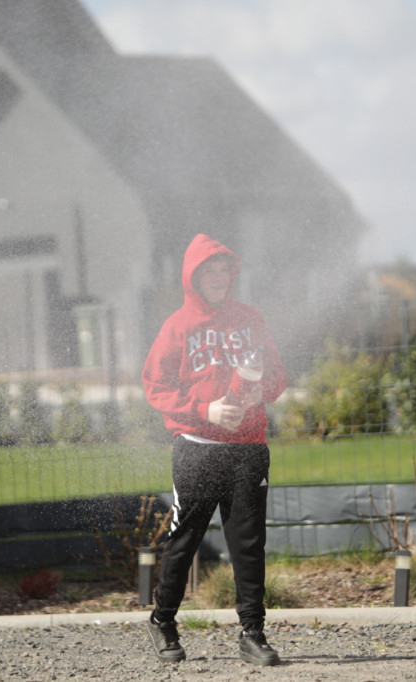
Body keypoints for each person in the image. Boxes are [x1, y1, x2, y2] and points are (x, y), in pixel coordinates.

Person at [141, 233, 287, 666]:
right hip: (198, 450)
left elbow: (277, 376)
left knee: (248, 544)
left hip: (249, 449)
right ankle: (162, 620)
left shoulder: (250, 318)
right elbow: (155, 387)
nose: (220, 277)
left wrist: (260, 390)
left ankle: (252, 633)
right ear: (193, 277)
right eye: (210, 270)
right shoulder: (177, 328)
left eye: (226, 269)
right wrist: (206, 409)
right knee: (184, 539)